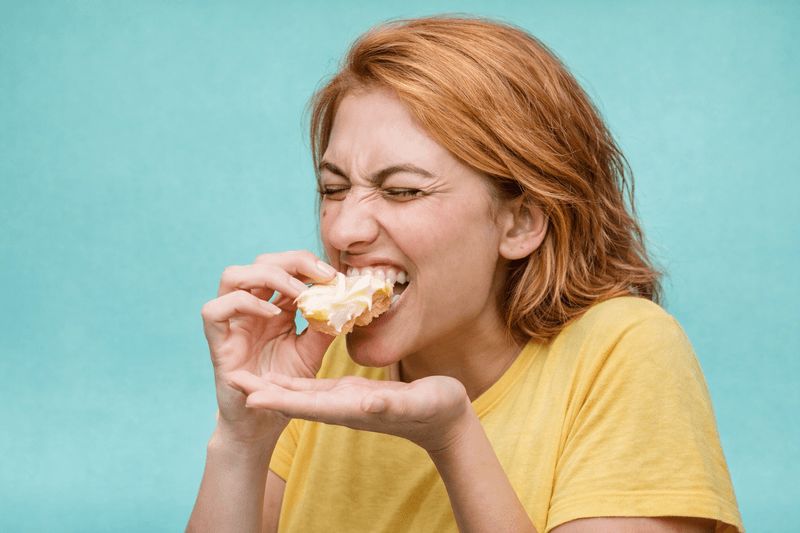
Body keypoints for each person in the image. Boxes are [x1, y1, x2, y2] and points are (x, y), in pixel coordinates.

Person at [186, 16, 744, 533]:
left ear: (520, 222)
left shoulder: (625, 349)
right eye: (334, 189)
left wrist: (454, 439)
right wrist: (243, 439)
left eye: (402, 190)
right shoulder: (322, 360)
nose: (341, 231)